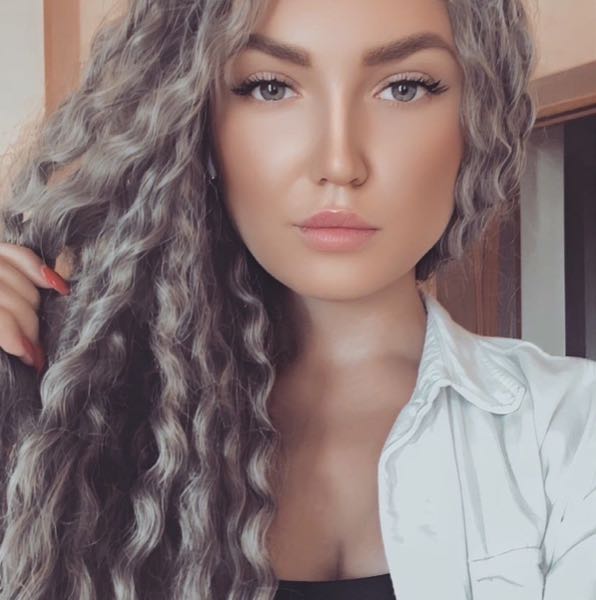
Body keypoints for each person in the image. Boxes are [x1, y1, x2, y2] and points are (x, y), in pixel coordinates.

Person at [0, 0, 594, 599]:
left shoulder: (573, 431)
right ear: (197, 124)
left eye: (405, 88)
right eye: (270, 87)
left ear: (476, 121)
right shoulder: (73, 416)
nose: (339, 163)